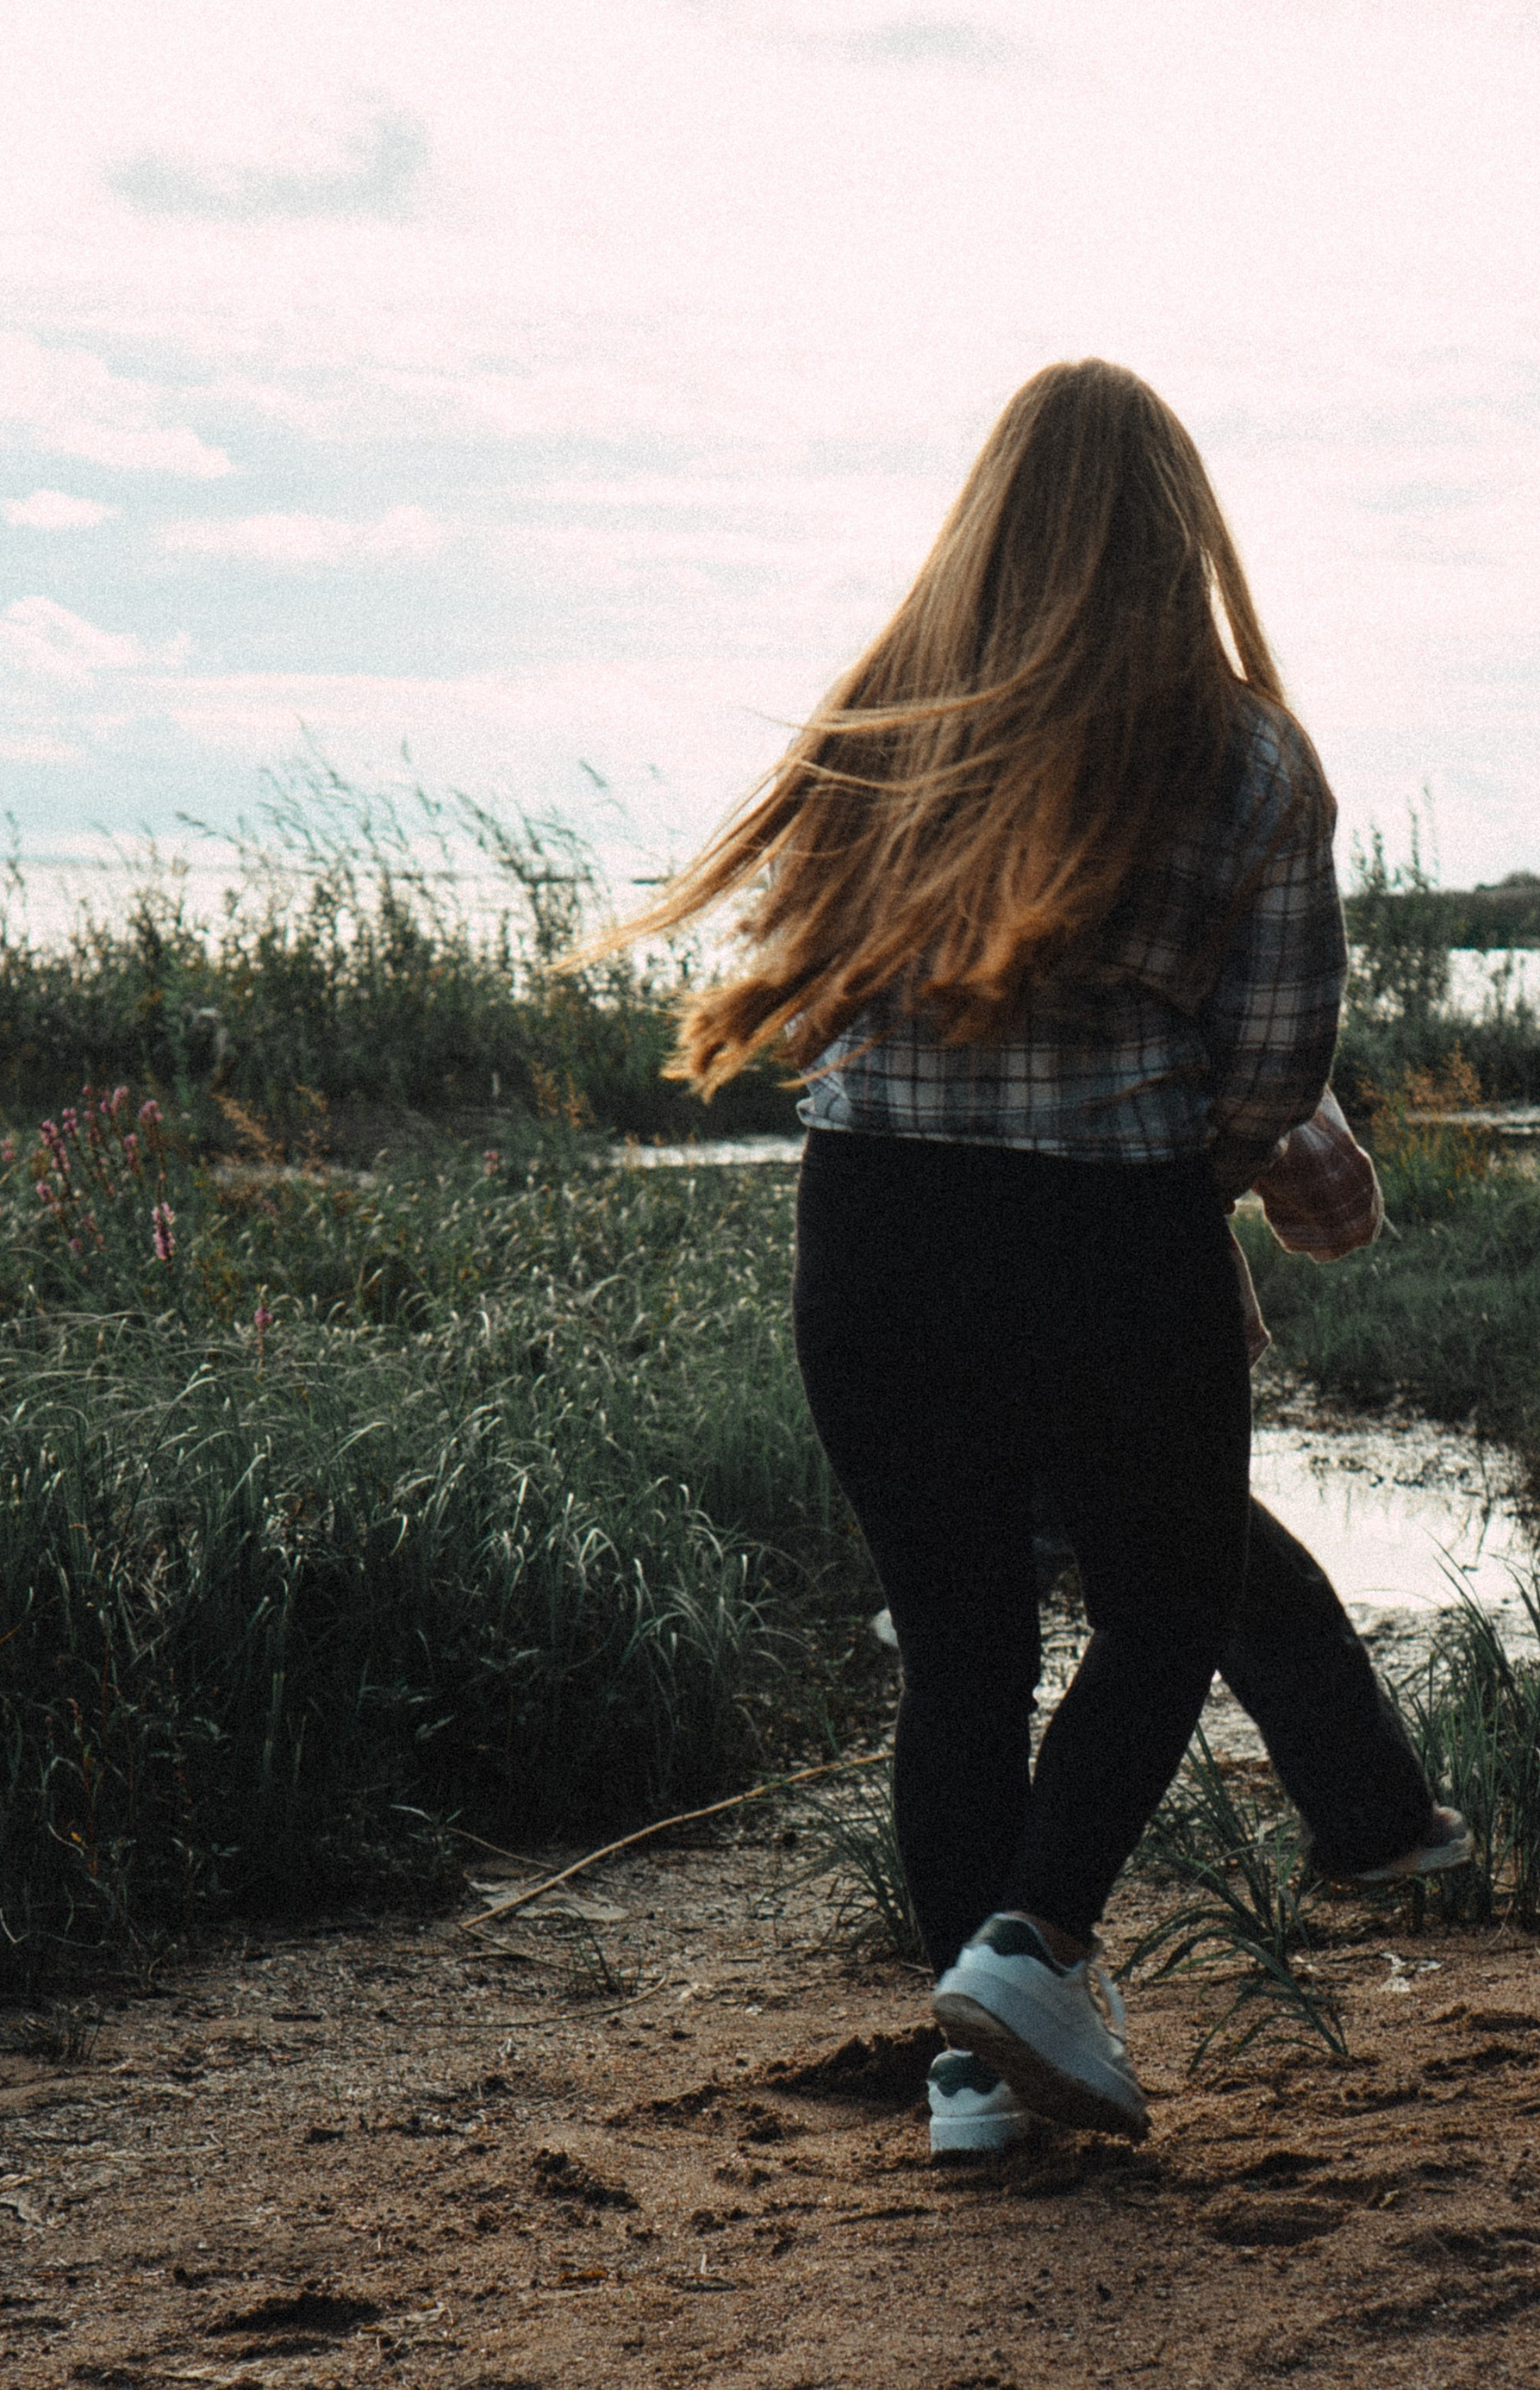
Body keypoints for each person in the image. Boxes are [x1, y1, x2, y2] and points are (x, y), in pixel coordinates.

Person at [602, 359, 1462, 2152]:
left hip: (867, 1233)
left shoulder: (886, 723)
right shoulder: (1240, 750)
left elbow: (827, 977)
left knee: (961, 1652)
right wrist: (1199, 1196)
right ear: (1181, 528)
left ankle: (974, 2080)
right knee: (1158, 1611)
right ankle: (1029, 1949)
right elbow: (1267, 1072)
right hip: (1095, 1240)